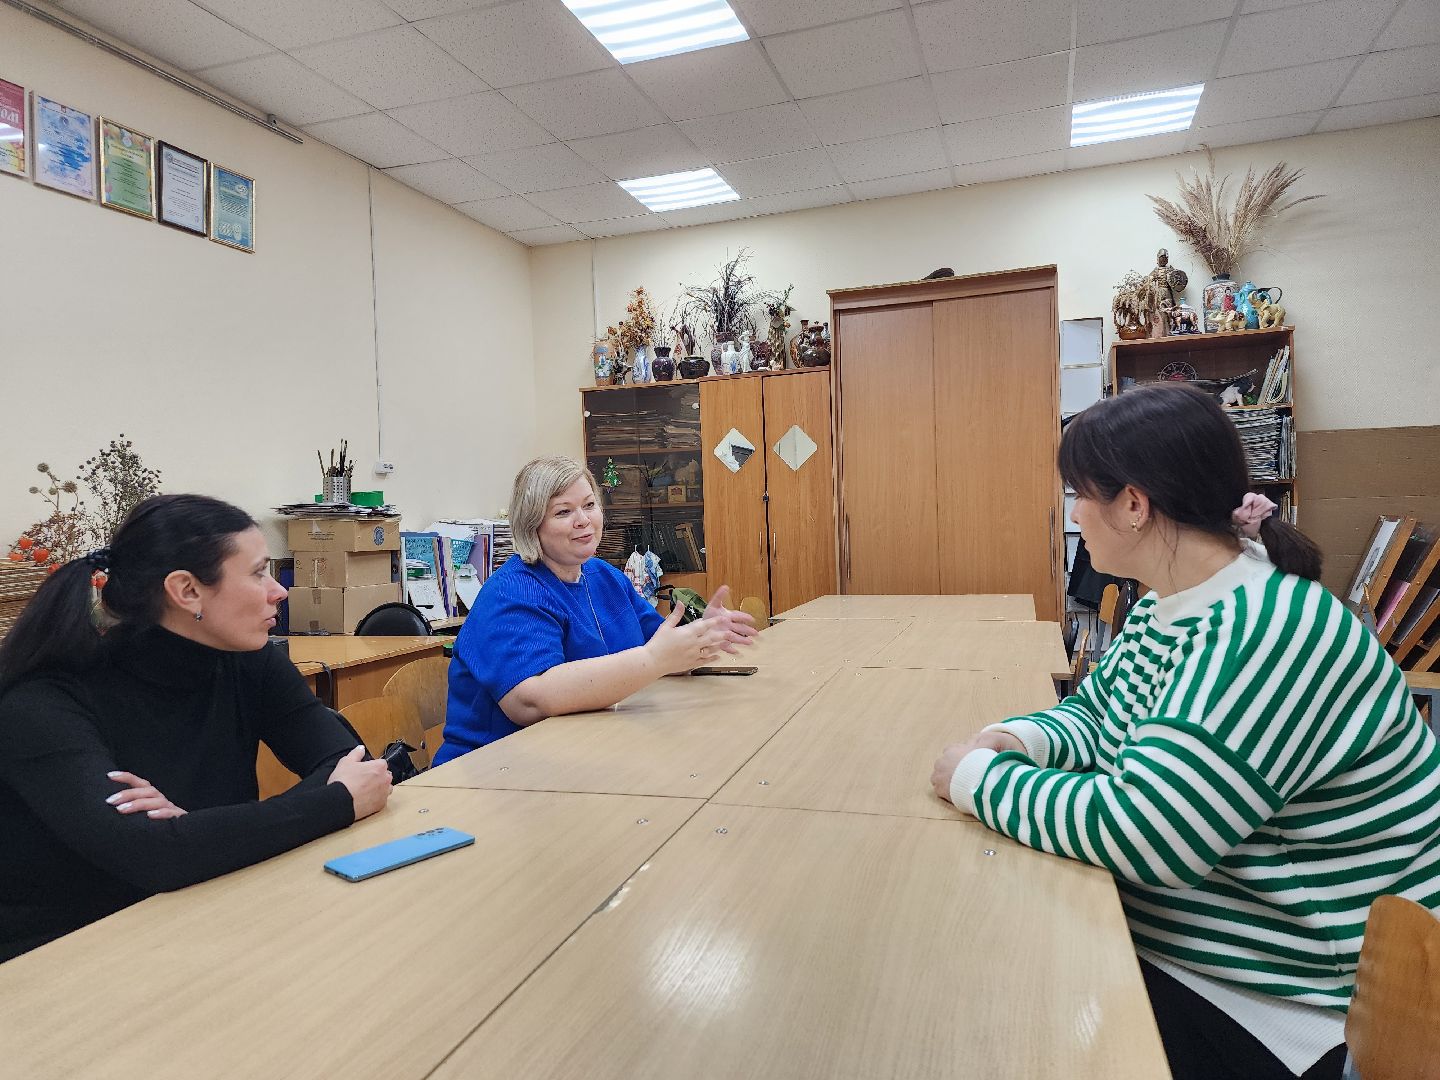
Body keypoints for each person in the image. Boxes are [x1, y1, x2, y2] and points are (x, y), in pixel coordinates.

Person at [929, 384, 1440, 1080]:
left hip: (1292, 998)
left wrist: (974, 778)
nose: (1074, 513)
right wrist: (1016, 742)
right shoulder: (1169, 609)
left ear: (1134, 505)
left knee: (997, 1014)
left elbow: (1149, 835)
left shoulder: (1268, 630)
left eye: (1080, 494)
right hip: (1208, 944)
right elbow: (1096, 714)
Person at [0, 495, 393, 963]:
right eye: (258, 573)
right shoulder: (42, 702)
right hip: (63, 959)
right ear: (186, 591)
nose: (279, 591)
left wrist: (194, 833)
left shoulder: (251, 660)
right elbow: (153, 858)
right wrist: (333, 801)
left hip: (205, 916)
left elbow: (348, 762)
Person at [436, 456, 757, 764]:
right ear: (532, 524)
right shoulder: (513, 593)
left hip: (591, 750)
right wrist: (655, 659)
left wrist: (699, 633)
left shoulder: (604, 576)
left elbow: (660, 644)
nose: (583, 520)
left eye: (589, 505)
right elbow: (531, 699)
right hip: (496, 770)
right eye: (563, 512)